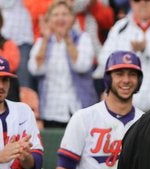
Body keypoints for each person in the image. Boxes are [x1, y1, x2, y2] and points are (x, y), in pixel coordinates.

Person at [27, 0, 97, 128]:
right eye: (56, 14)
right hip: (51, 111)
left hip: (78, 109)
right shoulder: (42, 42)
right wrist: (45, 40)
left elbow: (82, 66)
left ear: (72, 18)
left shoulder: (83, 38)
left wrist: (68, 40)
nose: (60, 18)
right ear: (49, 19)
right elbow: (35, 70)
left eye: (64, 14)